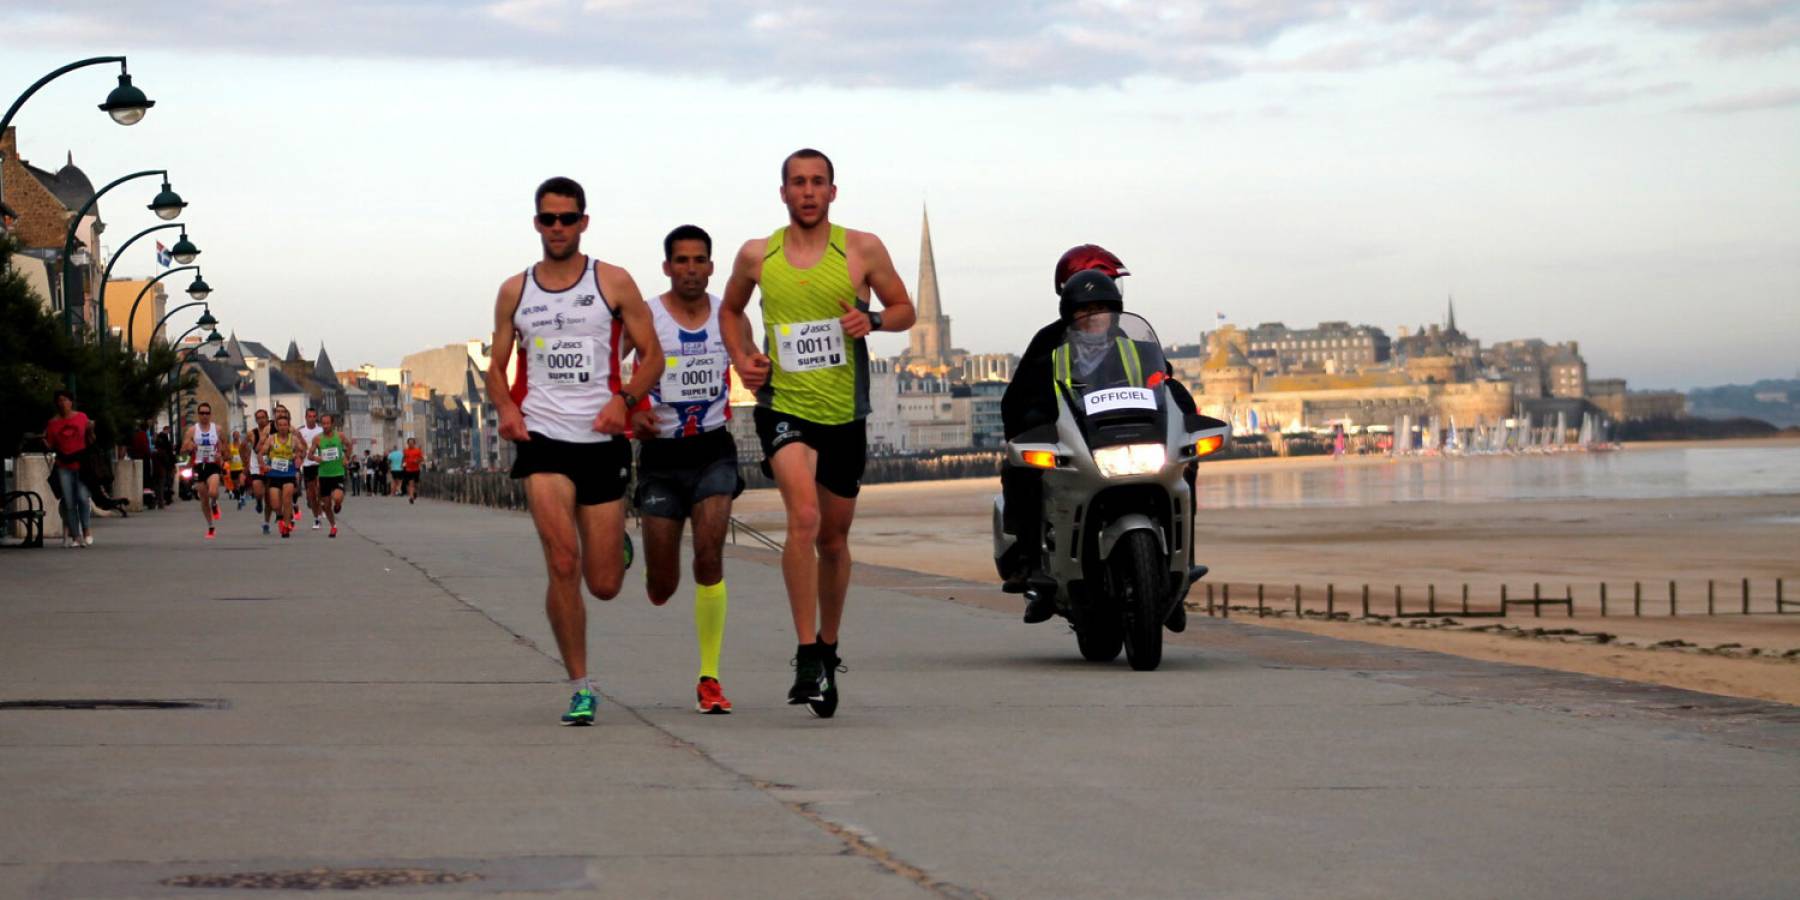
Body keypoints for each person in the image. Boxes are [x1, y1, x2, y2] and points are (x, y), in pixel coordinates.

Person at [720, 148, 915, 715]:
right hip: (784, 406)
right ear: (783, 192)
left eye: (817, 182)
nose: (808, 191)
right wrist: (744, 357)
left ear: (833, 191)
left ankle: (828, 647)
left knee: (833, 539)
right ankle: (806, 653)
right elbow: (730, 311)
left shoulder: (862, 249)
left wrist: (872, 319)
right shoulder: (758, 254)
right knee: (802, 518)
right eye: (798, 182)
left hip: (844, 416)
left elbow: (904, 309)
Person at [484, 175, 663, 726]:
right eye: (548, 218)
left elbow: (653, 356)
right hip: (542, 439)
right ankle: (580, 686)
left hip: (601, 440)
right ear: (536, 223)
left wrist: (624, 402)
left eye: (567, 218)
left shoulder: (612, 281)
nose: (557, 227)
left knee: (603, 584)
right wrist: (507, 410)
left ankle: (616, 546)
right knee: (562, 561)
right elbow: (495, 367)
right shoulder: (515, 291)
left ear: (584, 222)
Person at [1000, 245, 1199, 625]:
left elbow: (1166, 384)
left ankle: (1180, 565)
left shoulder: (1137, 346)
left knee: (1186, 466)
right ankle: (1030, 564)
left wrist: (1188, 414)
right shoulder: (1048, 345)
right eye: (1085, 309)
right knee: (1020, 471)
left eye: (1102, 306)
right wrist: (1029, 430)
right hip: (1078, 442)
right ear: (1069, 305)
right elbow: (1017, 400)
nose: (1094, 316)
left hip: (1133, 438)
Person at [627, 225, 747, 714]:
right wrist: (632, 414)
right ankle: (650, 565)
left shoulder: (728, 315)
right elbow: (610, 371)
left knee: (709, 553)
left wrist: (759, 368)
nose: (691, 270)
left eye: (700, 260)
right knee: (662, 586)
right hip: (661, 455)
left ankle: (709, 678)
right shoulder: (646, 317)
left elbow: (751, 364)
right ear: (667, 267)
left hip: (713, 449)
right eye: (682, 261)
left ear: (712, 267)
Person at [44, 389, 95, 548]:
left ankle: (86, 530)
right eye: (60, 400)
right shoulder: (53, 423)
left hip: (81, 464)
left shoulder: (82, 417)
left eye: (65, 400)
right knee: (69, 502)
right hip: (63, 465)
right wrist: (44, 443)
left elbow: (91, 439)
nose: (63, 403)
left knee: (83, 497)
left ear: (71, 402)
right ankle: (76, 535)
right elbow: (50, 445)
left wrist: (91, 430)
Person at [181, 402, 226, 540]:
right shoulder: (192, 430)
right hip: (199, 466)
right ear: (198, 414)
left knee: (213, 491)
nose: (204, 415)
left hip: (212, 465)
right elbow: (182, 450)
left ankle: (215, 503)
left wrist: (221, 455)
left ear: (210, 414)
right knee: (204, 498)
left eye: (207, 413)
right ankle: (211, 526)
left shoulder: (217, 429)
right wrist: (189, 447)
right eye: (202, 413)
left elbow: (225, 446)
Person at [259, 411, 306, 539]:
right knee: (275, 505)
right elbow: (261, 453)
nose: (283, 427)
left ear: (288, 426)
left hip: (289, 474)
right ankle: (280, 515)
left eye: (285, 425)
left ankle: (286, 526)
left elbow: (302, 451)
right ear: (276, 426)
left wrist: (299, 458)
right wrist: (264, 465)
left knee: (287, 500)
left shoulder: (293, 439)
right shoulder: (271, 439)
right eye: (280, 425)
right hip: (274, 475)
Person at [309, 413, 350, 538]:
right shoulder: (317, 439)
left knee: (337, 497)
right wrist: (316, 458)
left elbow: (349, 445)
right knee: (326, 505)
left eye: (328, 423)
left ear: (332, 424)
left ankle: (337, 504)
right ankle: (333, 526)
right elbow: (309, 455)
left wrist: (346, 458)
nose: (326, 426)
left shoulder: (340, 436)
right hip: (324, 475)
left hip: (338, 473)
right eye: (323, 423)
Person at [297, 408, 325, 530]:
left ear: (316, 417)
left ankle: (322, 505)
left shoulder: (321, 431)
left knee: (319, 488)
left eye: (314, 416)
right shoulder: (300, 431)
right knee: (311, 495)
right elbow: (297, 447)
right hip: (307, 465)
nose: (312, 419)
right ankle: (316, 518)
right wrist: (298, 457)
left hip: (320, 464)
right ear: (306, 417)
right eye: (310, 416)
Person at [227, 429, 249, 508]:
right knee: (236, 486)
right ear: (233, 436)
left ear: (239, 436)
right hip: (233, 468)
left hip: (241, 467)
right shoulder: (230, 446)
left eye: (237, 435)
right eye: (235, 435)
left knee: (242, 482)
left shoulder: (242, 445)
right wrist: (229, 457)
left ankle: (242, 496)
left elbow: (247, 454)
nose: (236, 436)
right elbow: (227, 455)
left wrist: (246, 461)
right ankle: (239, 499)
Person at [401, 437, 424, 504]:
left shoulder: (418, 450)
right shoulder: (405, 450)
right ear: (407, 443)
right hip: (408, 469)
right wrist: (402, 464)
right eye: (409, 443)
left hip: (416, 469)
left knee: (416, 484)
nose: (410, 444)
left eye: (412, 443)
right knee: (410, 483)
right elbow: (404, 457)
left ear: (414, 443)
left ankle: (415, 492)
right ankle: (411, 497)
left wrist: (417, 461)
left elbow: (422, 459)